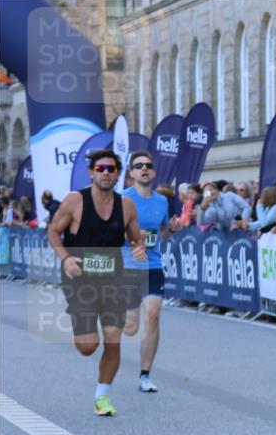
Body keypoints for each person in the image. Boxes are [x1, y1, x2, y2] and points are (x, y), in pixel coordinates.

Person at [46, 149, 147, 416]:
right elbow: (54, 232)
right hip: (80, 280)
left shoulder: (126, 206)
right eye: (100, 169)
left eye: (110, 169)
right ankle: (82, 325)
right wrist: (66, 258)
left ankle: (102, 397)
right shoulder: (74, 201)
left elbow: (137, 239)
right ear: (91, 173)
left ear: (117, 174)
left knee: (113, 340)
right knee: (88, 347)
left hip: (114, 279)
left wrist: (139, 248)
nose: (105, 173)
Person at [120, 150, 184, 393]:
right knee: (131, 327)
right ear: (132, 173)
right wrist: (133, 235)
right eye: (139, 166)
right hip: (127, 266)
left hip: (153, 265)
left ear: (154, 172)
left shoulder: (162, 202)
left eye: (148, 165)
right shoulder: (123, 199)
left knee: (154, 315)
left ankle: (145, 375)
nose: (144, 169)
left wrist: (173, 230)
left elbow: (163, 234)